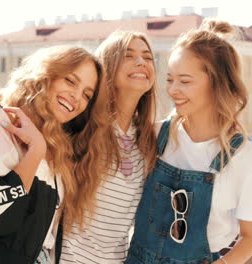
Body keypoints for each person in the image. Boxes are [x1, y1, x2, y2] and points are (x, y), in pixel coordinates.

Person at [0, 45, 102, 264]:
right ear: (46, 76)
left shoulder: (59, 149)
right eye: (70, 81)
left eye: (87, 95)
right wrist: (35, 151)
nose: (76, 97)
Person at [126, 19, 252, 264]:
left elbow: (249, 239)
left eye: (185, 81)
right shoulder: (152, 135)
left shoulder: (246, 159)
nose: (172, 90)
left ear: (217, 85)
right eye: (170, 79)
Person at [60, 31, 158, 263]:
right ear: (108, 65)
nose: (141, 62)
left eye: (148, 57)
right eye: (129, 55)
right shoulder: (81, 126)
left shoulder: (149, 139)